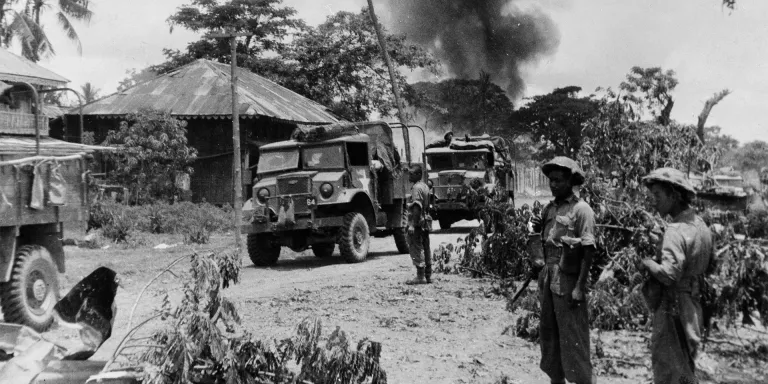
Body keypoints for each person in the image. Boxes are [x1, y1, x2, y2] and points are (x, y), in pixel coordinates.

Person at [639, 168, 712, 384]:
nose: (654, 202)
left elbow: (669, 275)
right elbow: (696, 260)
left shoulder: (675, 230)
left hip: (674, 307)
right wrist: (663, 244)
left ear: (674, 195)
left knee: (669, 369)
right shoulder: (700, 226)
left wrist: (647, 262)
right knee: (684, 367)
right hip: (693, 304)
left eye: (658, 196)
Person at [529, 156, 596, 384]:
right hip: (548, 279)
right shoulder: (549, 209)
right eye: (551, 181)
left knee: (573, 338)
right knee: (550, 336)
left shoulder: (581, 210)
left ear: (570, 181)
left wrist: (579, 288)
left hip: (568, 281)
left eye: (559, 180)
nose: (554, 184)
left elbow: (588, 251)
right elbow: (543, 242)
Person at [406, 164, 433, 284]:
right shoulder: (425, 186)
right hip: (425, 221)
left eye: (412, 173)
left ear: (418, 175)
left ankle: (420, 276)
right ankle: (428, 275)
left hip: (418, 223)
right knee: (426, 247)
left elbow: (417, 207)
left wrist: (412, 224)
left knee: (417, 247)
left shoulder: (417, 188)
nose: (409, 176)